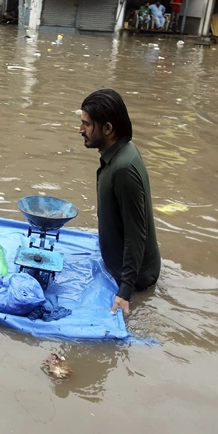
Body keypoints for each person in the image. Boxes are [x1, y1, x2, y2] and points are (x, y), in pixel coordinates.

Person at [78, 89, 161, 316]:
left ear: (107, 128)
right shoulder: (120, 153)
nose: (80, 130)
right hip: (120, 266)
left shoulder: (124, 168)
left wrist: (124, 292)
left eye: (86, 124)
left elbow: (136, 234)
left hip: (134, 278)